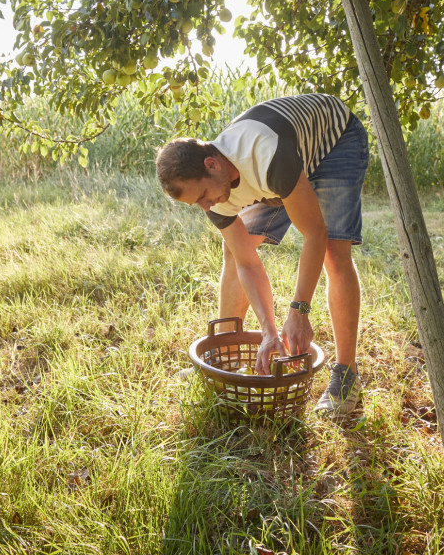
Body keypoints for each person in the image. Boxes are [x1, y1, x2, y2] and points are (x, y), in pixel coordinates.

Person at [156, 92, 369, 416]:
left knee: (333, 253)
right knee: (234, 252)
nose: (206, 207)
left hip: (334, 142)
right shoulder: (216, 193)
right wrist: (270, 330)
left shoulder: (266, 155)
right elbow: (246, 261)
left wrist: (298, 312)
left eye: (202, 196)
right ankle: (222, 355)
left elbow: (314, 233)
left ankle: (346, 377)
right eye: (196, 203)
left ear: (212, 165)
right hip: (279, 172)